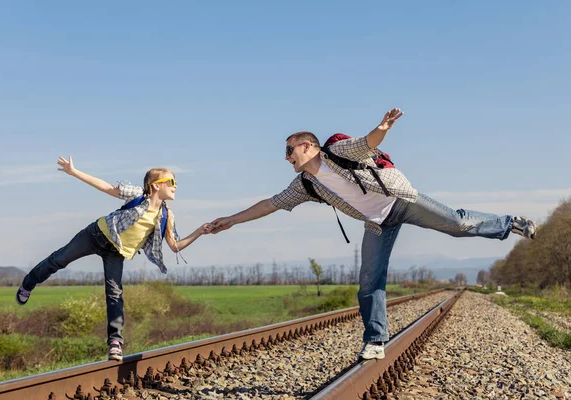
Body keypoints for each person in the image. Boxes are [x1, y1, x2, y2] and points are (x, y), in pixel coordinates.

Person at [210, 108, 537, 360]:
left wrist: (381, 129)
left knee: (458, 224)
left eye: (289, 150)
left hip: (402, 200)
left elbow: (366, 143)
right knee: (369, 282)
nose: (286, 157)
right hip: (377, 222)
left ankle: (511, 223)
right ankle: (376, 341)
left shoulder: (337, 151)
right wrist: (231, 220)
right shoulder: (305, 184)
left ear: (308, 146)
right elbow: (271, 203)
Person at [16, 156, 212, 361]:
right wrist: (74, 172)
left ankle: (115, 343)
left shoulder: (166, 216)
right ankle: (28, 284)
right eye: (171, 182)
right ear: (155, 186)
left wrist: (199, 231)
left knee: (115, 294)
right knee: (59, 259)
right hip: (96, 235)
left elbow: (175, 246)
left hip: (116, 252)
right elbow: (106, 187)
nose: (175, 186)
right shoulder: (138, 194)